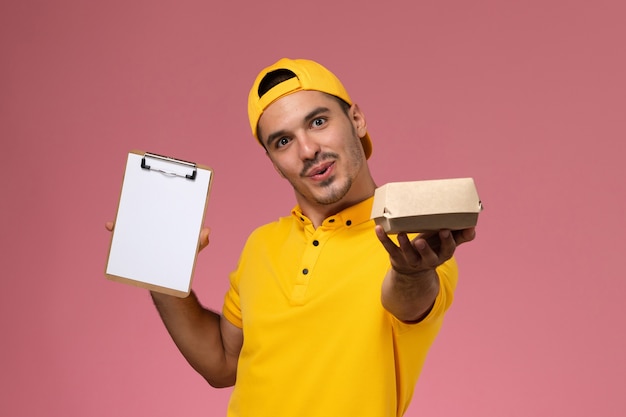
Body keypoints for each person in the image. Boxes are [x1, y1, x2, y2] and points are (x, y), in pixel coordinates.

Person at [107, 58, 476, 416]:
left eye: (318, 121)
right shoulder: (261, 244)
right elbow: (222, 363)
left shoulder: (411, 243)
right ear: (272, 160)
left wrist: (412, 272)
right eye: (283, 141)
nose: (308, 150)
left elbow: (409, 302)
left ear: (357, 120)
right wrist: (159, 270)